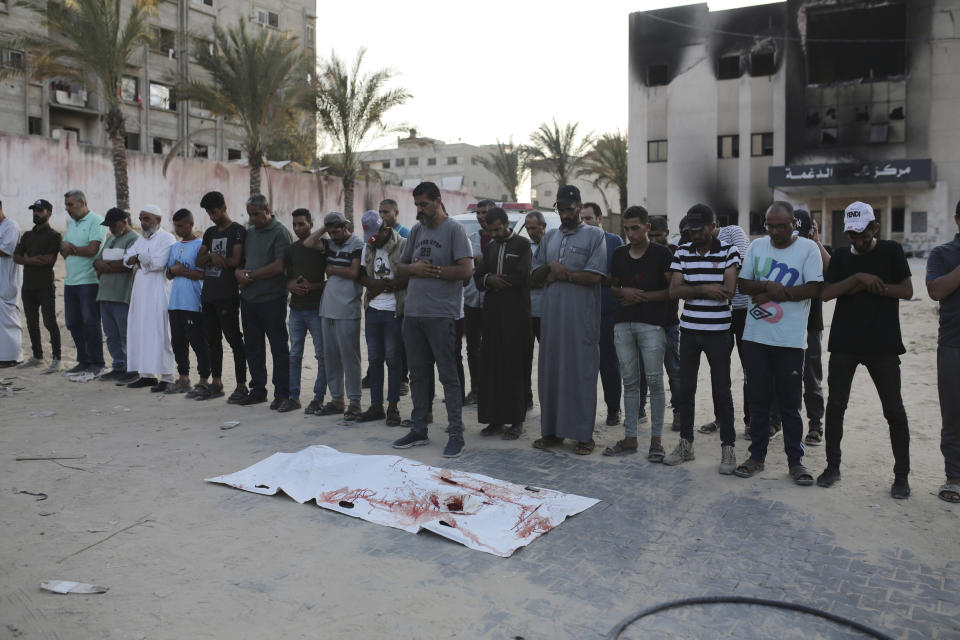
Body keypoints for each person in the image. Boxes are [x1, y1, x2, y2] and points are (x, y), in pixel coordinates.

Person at [816, 201, 913, 499]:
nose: (857, 241)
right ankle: (833, 466)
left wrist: (873, 285)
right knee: (836, 407)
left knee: (893, 410)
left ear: (875, 228)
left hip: (883, 345)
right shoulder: (843, 256)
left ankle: (901, 476)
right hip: (845, 343)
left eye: (862, 234)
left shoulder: (891, 252)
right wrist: (858, 279)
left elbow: (907, 291)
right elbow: (826, 294)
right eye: (852, 235)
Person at [733, 202, 824, 485]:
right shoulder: (758, 246)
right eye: (770, 225)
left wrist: (778, 293)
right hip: (755, 338)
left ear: (794, 224)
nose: (774, 231)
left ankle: (795, 462)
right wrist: (766, 287)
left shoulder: (808, 249)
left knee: (790, 404)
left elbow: (815, 288)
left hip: (790, 341)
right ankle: (756, 457)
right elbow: (743, 284)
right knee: (758, 402)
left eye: (781, 225)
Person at [392, 181, 474, 458]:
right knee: (417, 375)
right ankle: (419, 429)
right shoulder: (416, 230)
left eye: (424, 204)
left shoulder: (455, 230)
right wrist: (413, 268)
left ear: (438, 201)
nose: (419, 209)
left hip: (442, 315)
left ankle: (455, 433)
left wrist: (434, 271)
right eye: (416, 204)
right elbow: (401, 269)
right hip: (413, 313)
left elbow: (466, 271)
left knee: (448, 376)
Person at [663, 204, 741, 474]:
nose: (694, 234)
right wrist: (707, 288)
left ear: (712, 226)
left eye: (699, 229)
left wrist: (691, 289)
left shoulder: (729, 251)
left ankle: (728, 449)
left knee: (722, 390)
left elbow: (729, 291)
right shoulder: (683, 250)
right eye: (691, 229)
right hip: (690, 331)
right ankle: (686, 445)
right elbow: (674, 291)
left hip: (719, 332)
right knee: (686, 390)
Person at [530, 185, 607, 455]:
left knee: (580, 374)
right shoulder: (549, 237)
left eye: (569, 209)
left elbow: (596, 276)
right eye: (560, 209)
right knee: (551, 373)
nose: (564, 214)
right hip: (551, 320)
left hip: (580, 320)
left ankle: (583, 435)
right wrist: (549, 267)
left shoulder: (595, 236)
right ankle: (551, 433)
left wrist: (563, 274)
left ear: (580, 206)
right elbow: (533, 276)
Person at [605, 205, 674, 461]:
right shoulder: (619, 254)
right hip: (623, 323)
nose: (630, 233)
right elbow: (612, 287)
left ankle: (656, 440)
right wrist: (623, 292)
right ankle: (631, 437)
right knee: (630, 382)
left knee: (655, 381)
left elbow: (672, 291)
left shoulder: (662, 253)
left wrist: (640, 297)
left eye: (635, 228)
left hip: (652, 324)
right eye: (627, 229)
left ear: (647, 227)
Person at [475, 206, 532, 440]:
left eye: (498, 229)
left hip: (516, 316)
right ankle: (494, 419)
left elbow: (523, 276)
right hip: (492, 316)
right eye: (491, 231)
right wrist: (490, 279)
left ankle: (516, 421)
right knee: (491, 366)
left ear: (507, 223)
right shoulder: (490, 247)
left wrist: (500, 281)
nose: (495, 234)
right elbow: (478, 278)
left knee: (514, 366)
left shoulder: (522, 245)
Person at [302, 211, 363, 418]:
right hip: (327, 308)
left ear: (346, 227)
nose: (334, 236)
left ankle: (355, 401)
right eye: (331, 232)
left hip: (347, 309)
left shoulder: (356, 244)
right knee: (331, 357)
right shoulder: (328, 242)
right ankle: (337, 400)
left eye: (336, 231)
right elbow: (308, 243)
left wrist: (332, 269)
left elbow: (354, 273)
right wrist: (324, 229)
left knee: (350, 357)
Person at [236, 195, 293, 409]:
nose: (252, 219)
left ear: (268, 210)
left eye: (256, 214)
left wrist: (250, 277)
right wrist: (239, 273)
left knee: (278, 348)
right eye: (250, 214)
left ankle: (282, 392)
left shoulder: (280, 233)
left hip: (272, 299)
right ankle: (258, 390)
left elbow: (279, 266)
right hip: (249, 300)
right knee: (253, 347)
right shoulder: (250, 233)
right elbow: (241, 262)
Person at [699, 220, 752, 437]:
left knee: (750, 367)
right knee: (718, 367)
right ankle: (720, 418)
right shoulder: (698, 243)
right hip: (719, 311)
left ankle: (751, 421)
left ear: (712, 225)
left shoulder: (733, 232)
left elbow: (743, 262)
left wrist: (711, 272)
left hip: (743, 310)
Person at [195, 191, 247, 403]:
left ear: (224, 207)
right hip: (208, 294)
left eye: (214, 212)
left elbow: (235, 260)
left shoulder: (237, 231)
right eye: (208, 213)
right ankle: (216, 383)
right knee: (212, 340)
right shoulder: (210, 232)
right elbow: (199, 260)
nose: (212, 216)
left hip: (227, 293)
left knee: (234, 339)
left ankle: (242, 385)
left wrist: (218, 259)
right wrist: (211, 257)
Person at [357, 209, 407, 425]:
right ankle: (376, 406)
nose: (373, 241)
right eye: (370, 237)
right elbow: (360, 275)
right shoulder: (368, 246)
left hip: (394, 311)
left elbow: (408, 276)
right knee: (375, 360)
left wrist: (389, 285)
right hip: (373, 310)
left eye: (376, 236)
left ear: (386, 229)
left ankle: (393, 407)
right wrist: (376, 285)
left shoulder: (403, 245)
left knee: (393, 359)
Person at [926, 200, 960, 504]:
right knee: (953, 415)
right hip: (953, 346)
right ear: (957, 220)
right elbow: (935, 291)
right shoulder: (942, 254)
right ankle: (954, 477)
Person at [123, 205, 177, 391]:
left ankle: (168, 376)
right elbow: (127, 258)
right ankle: (147, 375)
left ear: (158, 221)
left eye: (147, 219)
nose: (143, 223)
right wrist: (139, 258)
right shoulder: (140, 239)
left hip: (158, 292)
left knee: (160, 333)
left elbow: (158, 263)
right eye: (141, 219)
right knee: (140, 330)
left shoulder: (167, 238)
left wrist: (138, 259)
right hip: (140, 292)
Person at [581, 202, 624, 426]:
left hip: (608, 314)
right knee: (583, 366)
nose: (585, 222)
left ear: (600, 219)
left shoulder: (614, 241)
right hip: (582, 314)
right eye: (582, 218)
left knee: (609, 364)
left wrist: (598, 278)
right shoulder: (577, 241)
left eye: (588, 218)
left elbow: (618, 276)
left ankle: (613, 409)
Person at [284, 208, 327, 414]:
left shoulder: (323, 247)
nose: (298, 228)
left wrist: (313, 286)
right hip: (296, 310)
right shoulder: (291, 250)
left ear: (311, 223)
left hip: (317, 309)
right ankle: (294, 397)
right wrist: (291, 285)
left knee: (321, 355)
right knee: (295, 354)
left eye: (302, 224)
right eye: (294, 225)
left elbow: (332, 279)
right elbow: (285, 276)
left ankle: (318, 398)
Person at [60, 189, 107, 377]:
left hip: (89, 281)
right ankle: (83, 360)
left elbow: (92, 250)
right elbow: (63, 249)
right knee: (73, 322)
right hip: (70, 281)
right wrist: (66, 248)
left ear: (82, 202)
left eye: (71, 205)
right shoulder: (72, 223)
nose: (68, 209)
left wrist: (71, 249)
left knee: (91, 322)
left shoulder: (97, 220)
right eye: (66, 206)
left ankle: (97, 362)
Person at [795, 210, 831, 446]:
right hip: (783, 325)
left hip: (810, 325)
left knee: (811, 376)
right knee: (782, 377)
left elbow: (833, 271)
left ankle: (816, 424)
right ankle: (777, 421)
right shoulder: (781, 249)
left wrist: (817, 240)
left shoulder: (816, 251)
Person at [166, 208, 211, 395]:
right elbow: (169, 273)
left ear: (191, 224)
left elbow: (204, 273)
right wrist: (174, 271)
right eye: (175, 226)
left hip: (193, 301)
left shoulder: (200, 245)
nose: (178, 230)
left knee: (198, 341)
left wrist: (181, 271)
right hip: (175, 301)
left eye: (181, 226)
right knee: (177, 342)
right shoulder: (175, 247)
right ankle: (183, 377)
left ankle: (204, 379)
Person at [13, 199, 61, 372]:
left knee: (49, 322)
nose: (36, 213)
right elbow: (16, 257)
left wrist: (27, 259)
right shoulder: (27, 235)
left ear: (49, 213)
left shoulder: (54, 236)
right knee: (32, 323)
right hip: (28, 286)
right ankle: (37, 356)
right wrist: (33, 260)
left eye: (40, 210)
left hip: (45, 286)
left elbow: (49, 260)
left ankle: (57, 358)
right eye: (34, 210)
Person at [94, 207, 139, 383]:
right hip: (105, 294)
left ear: (124, 222)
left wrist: (107, 266)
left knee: (125, 334)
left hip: (122, 295)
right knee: (111, 334)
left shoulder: (134, 239)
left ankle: (131, 368)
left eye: (113, 225)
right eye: (109, 226)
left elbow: (127, 264)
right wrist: (104, 265)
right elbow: (96, 261)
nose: (111, 228)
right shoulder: (110, 239)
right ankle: (118, 366)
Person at [648, 216, 681, 430]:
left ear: (667, 233)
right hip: (645, 319)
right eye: (650, 236)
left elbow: (675, 289)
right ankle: (641, 408)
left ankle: (679, 411)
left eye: (657, 235)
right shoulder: (641, 252)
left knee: (673, 369)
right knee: (643, 370)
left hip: (668, 320)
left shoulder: (675, 252)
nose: (654, 239)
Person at [462, 199, 494, 406]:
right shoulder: (470, 239)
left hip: (495, 303)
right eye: (478, 213)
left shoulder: (503, 241)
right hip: (472, 301)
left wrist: (483, 260)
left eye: (485, 213)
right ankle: (475, 389)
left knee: (494, 348)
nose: (481, 217)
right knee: (472, 348)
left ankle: (493, 391)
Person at [524, 210, 547, 409]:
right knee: (524, 357)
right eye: (528, 228)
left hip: (548, 312)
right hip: (527, 311)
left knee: (548, 359)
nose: (531, 232)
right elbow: (525, 278)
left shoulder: (553, 246)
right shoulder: (525, 247)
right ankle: (526, 398)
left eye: (534, 228)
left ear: (543, 226)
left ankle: (549, 399)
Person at [0, 201, 22, 367]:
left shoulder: (11, 226)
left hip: (8, 280)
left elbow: (6, 250)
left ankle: (12, 357)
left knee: (8, 319)